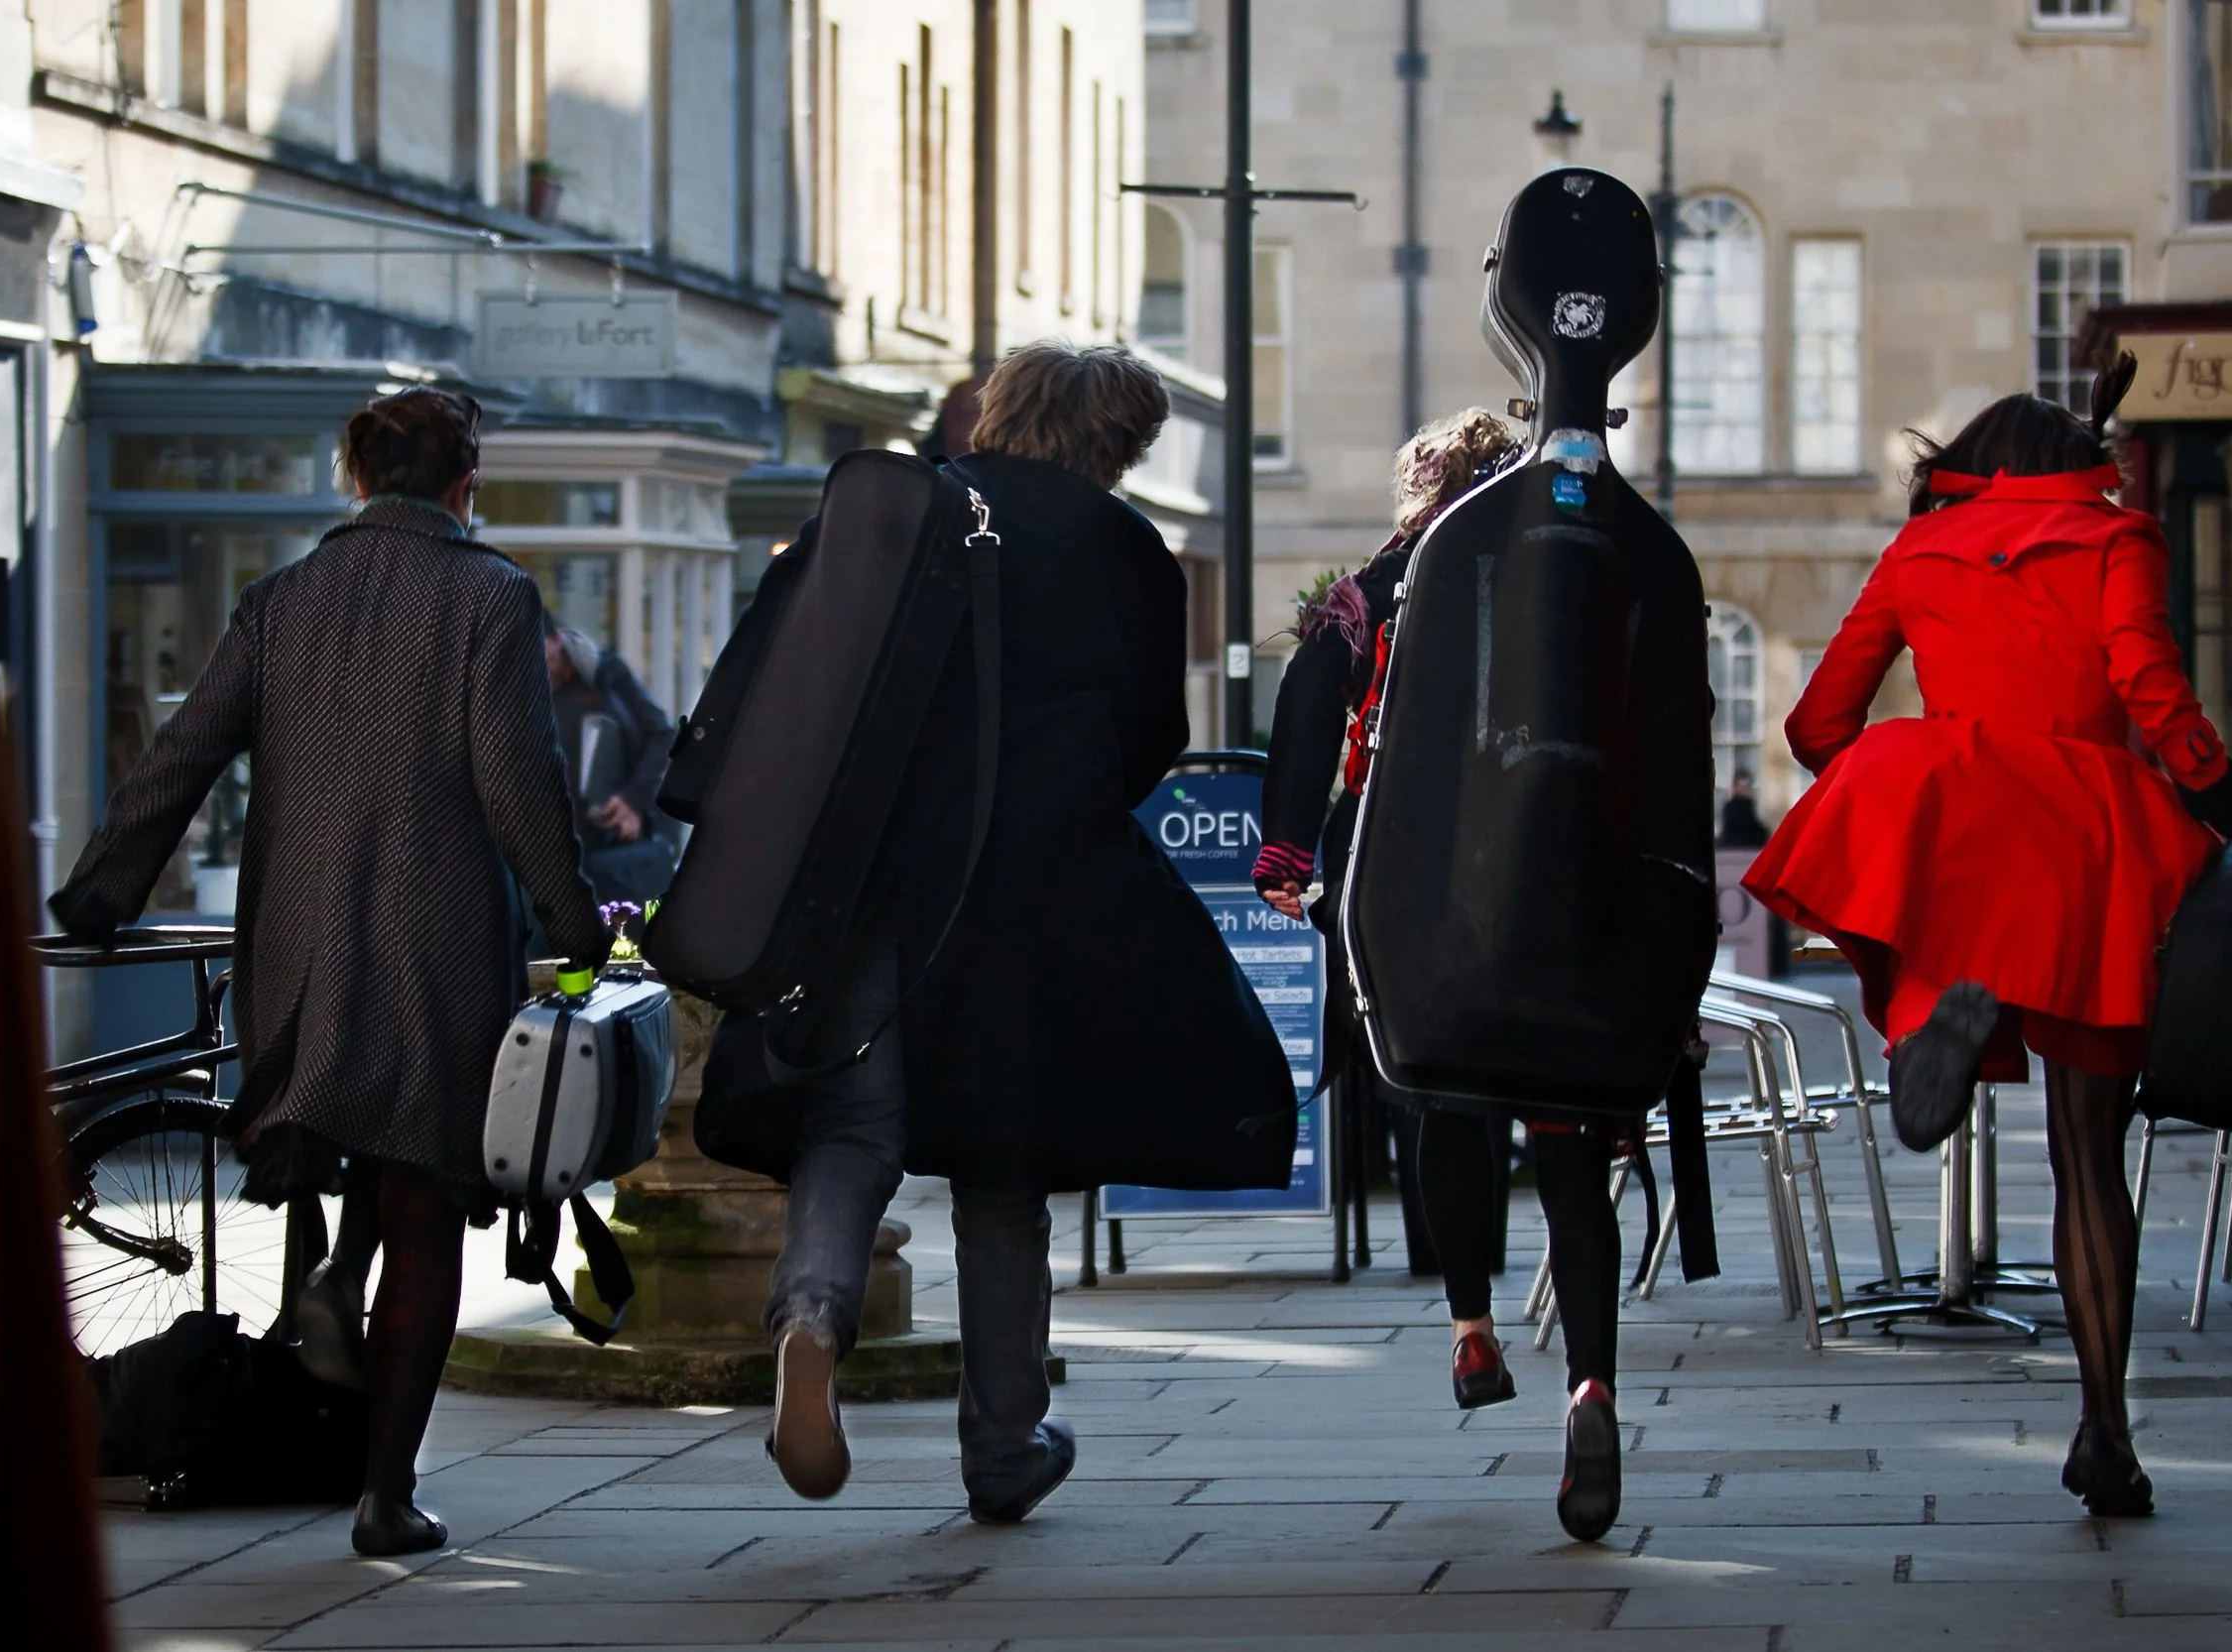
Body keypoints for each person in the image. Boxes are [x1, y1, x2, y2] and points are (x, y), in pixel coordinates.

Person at [695, 341, 1293, 1522]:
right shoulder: (1123, 547)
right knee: (1001, 1162)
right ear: (1117, 443)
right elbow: (1148, 738)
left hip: (859, 877)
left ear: (1001, 411)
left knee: (850, 1125)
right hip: (1031, 884)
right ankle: (1005, 1442)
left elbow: (777, 672)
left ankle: (811, 1318)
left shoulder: (890, 509)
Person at [49, 387, 610, 1556]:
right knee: (425, 1204)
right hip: (436, 939)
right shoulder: (490, 594)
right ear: (465, 484)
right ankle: (384, 1493)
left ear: (355, 479)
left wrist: (103, 888)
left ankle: (330, 1279)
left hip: (296, 938)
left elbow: (187, 748)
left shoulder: (281, 597)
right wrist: (571, 920)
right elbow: (516, 776)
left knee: (329, 1129)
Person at [1741, 356, 2232, 1518]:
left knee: (1938, 889)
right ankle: (2105, 1432)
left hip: (1959, 819)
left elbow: (1818, 721)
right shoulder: (2116, 537)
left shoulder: (1922, 547)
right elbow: (2145, 680)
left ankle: (1938, 1007)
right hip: (2085, 846)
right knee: (2089, 1158)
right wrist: (2222, 793)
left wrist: (1927, 778)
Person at [1253, 408, 1634, 1543]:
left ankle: (1471, 1327)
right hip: (1555, 871)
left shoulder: (1378, 586)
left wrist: (1285, 849)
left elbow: (1306, 697)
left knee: (1440, 1096)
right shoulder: (1571, 571)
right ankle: (1592, 1381)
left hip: (1409, 877)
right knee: (1565, 1132)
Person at [541, 614, 680, 904]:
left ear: (558, 638)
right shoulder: (527, 695)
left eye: (541, 652)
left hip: (618, 838)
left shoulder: (606, 673)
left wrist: (633, 800)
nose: (541, 664)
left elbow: (660, 736)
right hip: (560, 843)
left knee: (631, 923)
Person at [1716, 770, 1771, 848]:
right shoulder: (1734, 806)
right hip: (1738, 846)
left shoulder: (1746, 804)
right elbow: (1743, 826)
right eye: (1742, 786)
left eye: (1747, 786)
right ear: (1735, 787)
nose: (1745, 789)